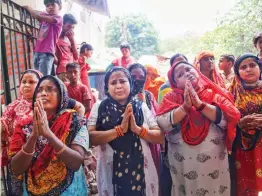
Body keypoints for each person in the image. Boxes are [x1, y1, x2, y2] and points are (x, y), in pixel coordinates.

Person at [156, 61, 240, 196]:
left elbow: (230, 119)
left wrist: (200, 105)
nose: (187, 74)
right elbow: (161, 124)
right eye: (180, 74)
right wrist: (184, 108)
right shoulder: (170, 98)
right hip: (182, 162)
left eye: (189, 69)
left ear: (197, 72)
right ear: (175, 83)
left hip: (214, 163)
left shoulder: (214, 93)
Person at [88, 67, 164, 196]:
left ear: (130, 83)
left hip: (141, 172)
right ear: (106, 86)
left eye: (122, 81)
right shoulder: (99, 107)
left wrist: (137, 130)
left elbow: (159, 137)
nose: (118, 86)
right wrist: (119, 131)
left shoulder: (141, 106)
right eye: (113, 83)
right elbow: (90, 139)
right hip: (110, 172)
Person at [8, 76, 89, 195]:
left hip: (70, 191)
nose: (43, 93)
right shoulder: (23, 126)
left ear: (62, 95)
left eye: (50, 89)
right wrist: (34, 136)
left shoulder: (74, 122)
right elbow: (15, 169)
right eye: (39, 90)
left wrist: (48, 134)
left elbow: (76, 163)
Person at [228, 54, 262, 196]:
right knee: (246, 186)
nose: (249, 69)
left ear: (259, 68)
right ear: (237, 72)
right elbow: (224, 119)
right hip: (242, 147)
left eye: (253, 65)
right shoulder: (230, 92)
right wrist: (238, 124)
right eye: (243, 67)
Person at [1, 70, 43, 167]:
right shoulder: (12, 107)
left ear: (40, 84)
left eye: (31, 82)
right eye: (24, 82)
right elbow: (3, 126)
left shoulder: (46, 104)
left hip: (41, 155)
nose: (26, 85)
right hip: (18, 155)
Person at [128, 63, 160, 178]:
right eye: (133, 77)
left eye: (141, 77)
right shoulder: (122, 98)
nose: (137, 80)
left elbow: (157, 118)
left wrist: (144, 103)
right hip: (132, 146)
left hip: (151, 141)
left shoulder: (149, 96)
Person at [23, 0, 63, 76]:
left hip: (47, 52)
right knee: (37, 76)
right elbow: (39, 15)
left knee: (43, 77)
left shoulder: (58, 18)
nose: (50, 7)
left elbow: (38, 16)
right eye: (47, 6)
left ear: (60, 7)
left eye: (53, 5)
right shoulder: (45, 17)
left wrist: (29, 8)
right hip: (37, 51)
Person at [55, 14, 78, 82]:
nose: (71, 30)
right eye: (68, 27)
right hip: (63, 71)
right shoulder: (56, 38)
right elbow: (54, 57)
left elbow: (76, 56)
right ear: (62, 25)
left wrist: (72, 40)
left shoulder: (71, 39)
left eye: (73, 27)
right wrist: (61, 64)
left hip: (74, 69)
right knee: (66, 91)